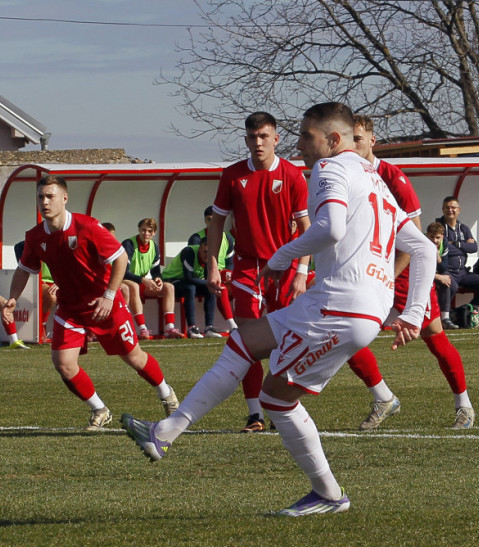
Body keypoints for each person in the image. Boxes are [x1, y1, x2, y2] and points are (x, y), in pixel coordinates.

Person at [122, 102, 436, 516]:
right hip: (353, 307)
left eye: (306, 135)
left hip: (339, 307)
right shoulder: (373, 179)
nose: (300, 144)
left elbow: (330, 228)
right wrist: (412, 312)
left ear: (333, 139)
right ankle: (164, 432)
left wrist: (281, 257)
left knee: (277, 400)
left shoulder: (330, 169)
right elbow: (423, 249)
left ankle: (329, 495)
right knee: (243, 342)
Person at [2, 175, 179, 430]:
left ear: (65, 198)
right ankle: (100, 409)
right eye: (40, 197)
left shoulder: (87, 226)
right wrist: (12, 298)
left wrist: (109, 295)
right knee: (63, 364)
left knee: (134, 358)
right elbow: (24, 269)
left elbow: (120, 259)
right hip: (70, 308)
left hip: (104, 304)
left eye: (50, 196)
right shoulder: (35, 236)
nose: (44, 202)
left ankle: (166, 393)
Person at [347, 115, 475, 430]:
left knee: (436, 340)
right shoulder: (346, 175)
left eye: (358, 139)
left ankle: (464, 406)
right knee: (345, 335)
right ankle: (383, 397)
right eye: (348, 139)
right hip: (367, 273)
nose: (352, 145)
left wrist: (387, 276)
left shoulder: (393, 178)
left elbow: (415, 241)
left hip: (402, 276)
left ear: (372, 141)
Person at [205, 111, 311, 433]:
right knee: (247, 337)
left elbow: (306, 227)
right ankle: (255, 415)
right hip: (248, 266)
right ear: (246, 140)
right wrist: (213, 264)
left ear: (276, 139)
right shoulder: (232, 175)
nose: (258, 143)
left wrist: (302, 271)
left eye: (264, 136)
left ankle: (281, 406)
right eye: (252, 137)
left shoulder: (293, 175)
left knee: (286, 339)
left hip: (285, 265)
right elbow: (217, 222)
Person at [120, 218, 184, 339]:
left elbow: (155, 272)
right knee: (134, 286)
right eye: (143, 230)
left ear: (154, 233)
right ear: (139, 230)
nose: (146, 233)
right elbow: (123, 272)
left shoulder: (154, 247)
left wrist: (158, 279)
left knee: (169, 287)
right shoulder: (129, 244)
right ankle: (142, 329)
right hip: (125, 280)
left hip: (141, 282)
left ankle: (169, 327)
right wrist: (143, 280)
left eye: (150, 231)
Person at [434, 196, 479, 329]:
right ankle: (443, 318)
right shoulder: (438, 227)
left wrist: (455, 243)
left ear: (459, 210)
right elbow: (445, 248)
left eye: (453, 207)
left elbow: (474, 248)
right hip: (446, 271)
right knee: (451, 286)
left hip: (462, 272)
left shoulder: (463, 228)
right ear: (442, 209)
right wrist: (463, 245)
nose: (450, 210)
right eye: (447, 207)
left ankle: (467, 310)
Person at [187, 206, 238, 334]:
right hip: (204, 274)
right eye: (209, 219)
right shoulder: (196, 238)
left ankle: (247, 321)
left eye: (215, 219)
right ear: (205, 220)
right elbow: (197, 262)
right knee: (220, 287)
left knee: (242, 285)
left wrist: (228, 274)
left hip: (222, 273)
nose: (212, 223)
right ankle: (232, 325)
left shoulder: (227, 238)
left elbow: (230, 263)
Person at [161, 239, 220, 338]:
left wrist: (212, 284)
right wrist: (209, 283)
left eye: (210, 252)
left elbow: (207, 277)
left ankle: (209, 328)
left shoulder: (211, 258)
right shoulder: (189, 252)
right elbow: (188, 278)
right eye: (205, 252)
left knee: (210, 290)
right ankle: (191, 328)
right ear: (199, 249)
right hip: (172, 280)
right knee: (190, 288)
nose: (207, 255)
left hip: (188, 282)